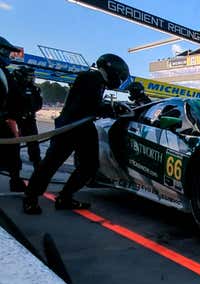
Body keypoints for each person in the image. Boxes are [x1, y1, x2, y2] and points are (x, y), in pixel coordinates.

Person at [23, 54, 130, 214]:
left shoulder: (97, 82)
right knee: (52, 163)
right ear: (112, 70)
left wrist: (109, 107)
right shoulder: (89, 77)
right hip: (70, 126)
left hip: (83, 126)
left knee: (89, 165)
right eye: (119, 76)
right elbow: (89, 104)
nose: (119, 80)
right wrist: (110, 109)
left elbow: (92, 104)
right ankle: (30, 199)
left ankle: (65, 197)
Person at [0, 35, 25, 192]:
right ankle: (15, 180)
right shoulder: (3, 73)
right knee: (12, 150)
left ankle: (16, 180)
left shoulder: (3, 71)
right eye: (8, 53)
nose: (10, 57)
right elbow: (14, 98)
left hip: (5, 118)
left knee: (12, 150)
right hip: (3, 120)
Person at [8, 66, 43, 171]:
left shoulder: (35, 89)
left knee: (33, 146)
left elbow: (38, 105)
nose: (31, 79)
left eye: (32, 77)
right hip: (13, 119)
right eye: (29, 77)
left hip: (29, 120)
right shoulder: (12, 88)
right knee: (13, 146)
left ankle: (38, 168)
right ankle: (15, 174)